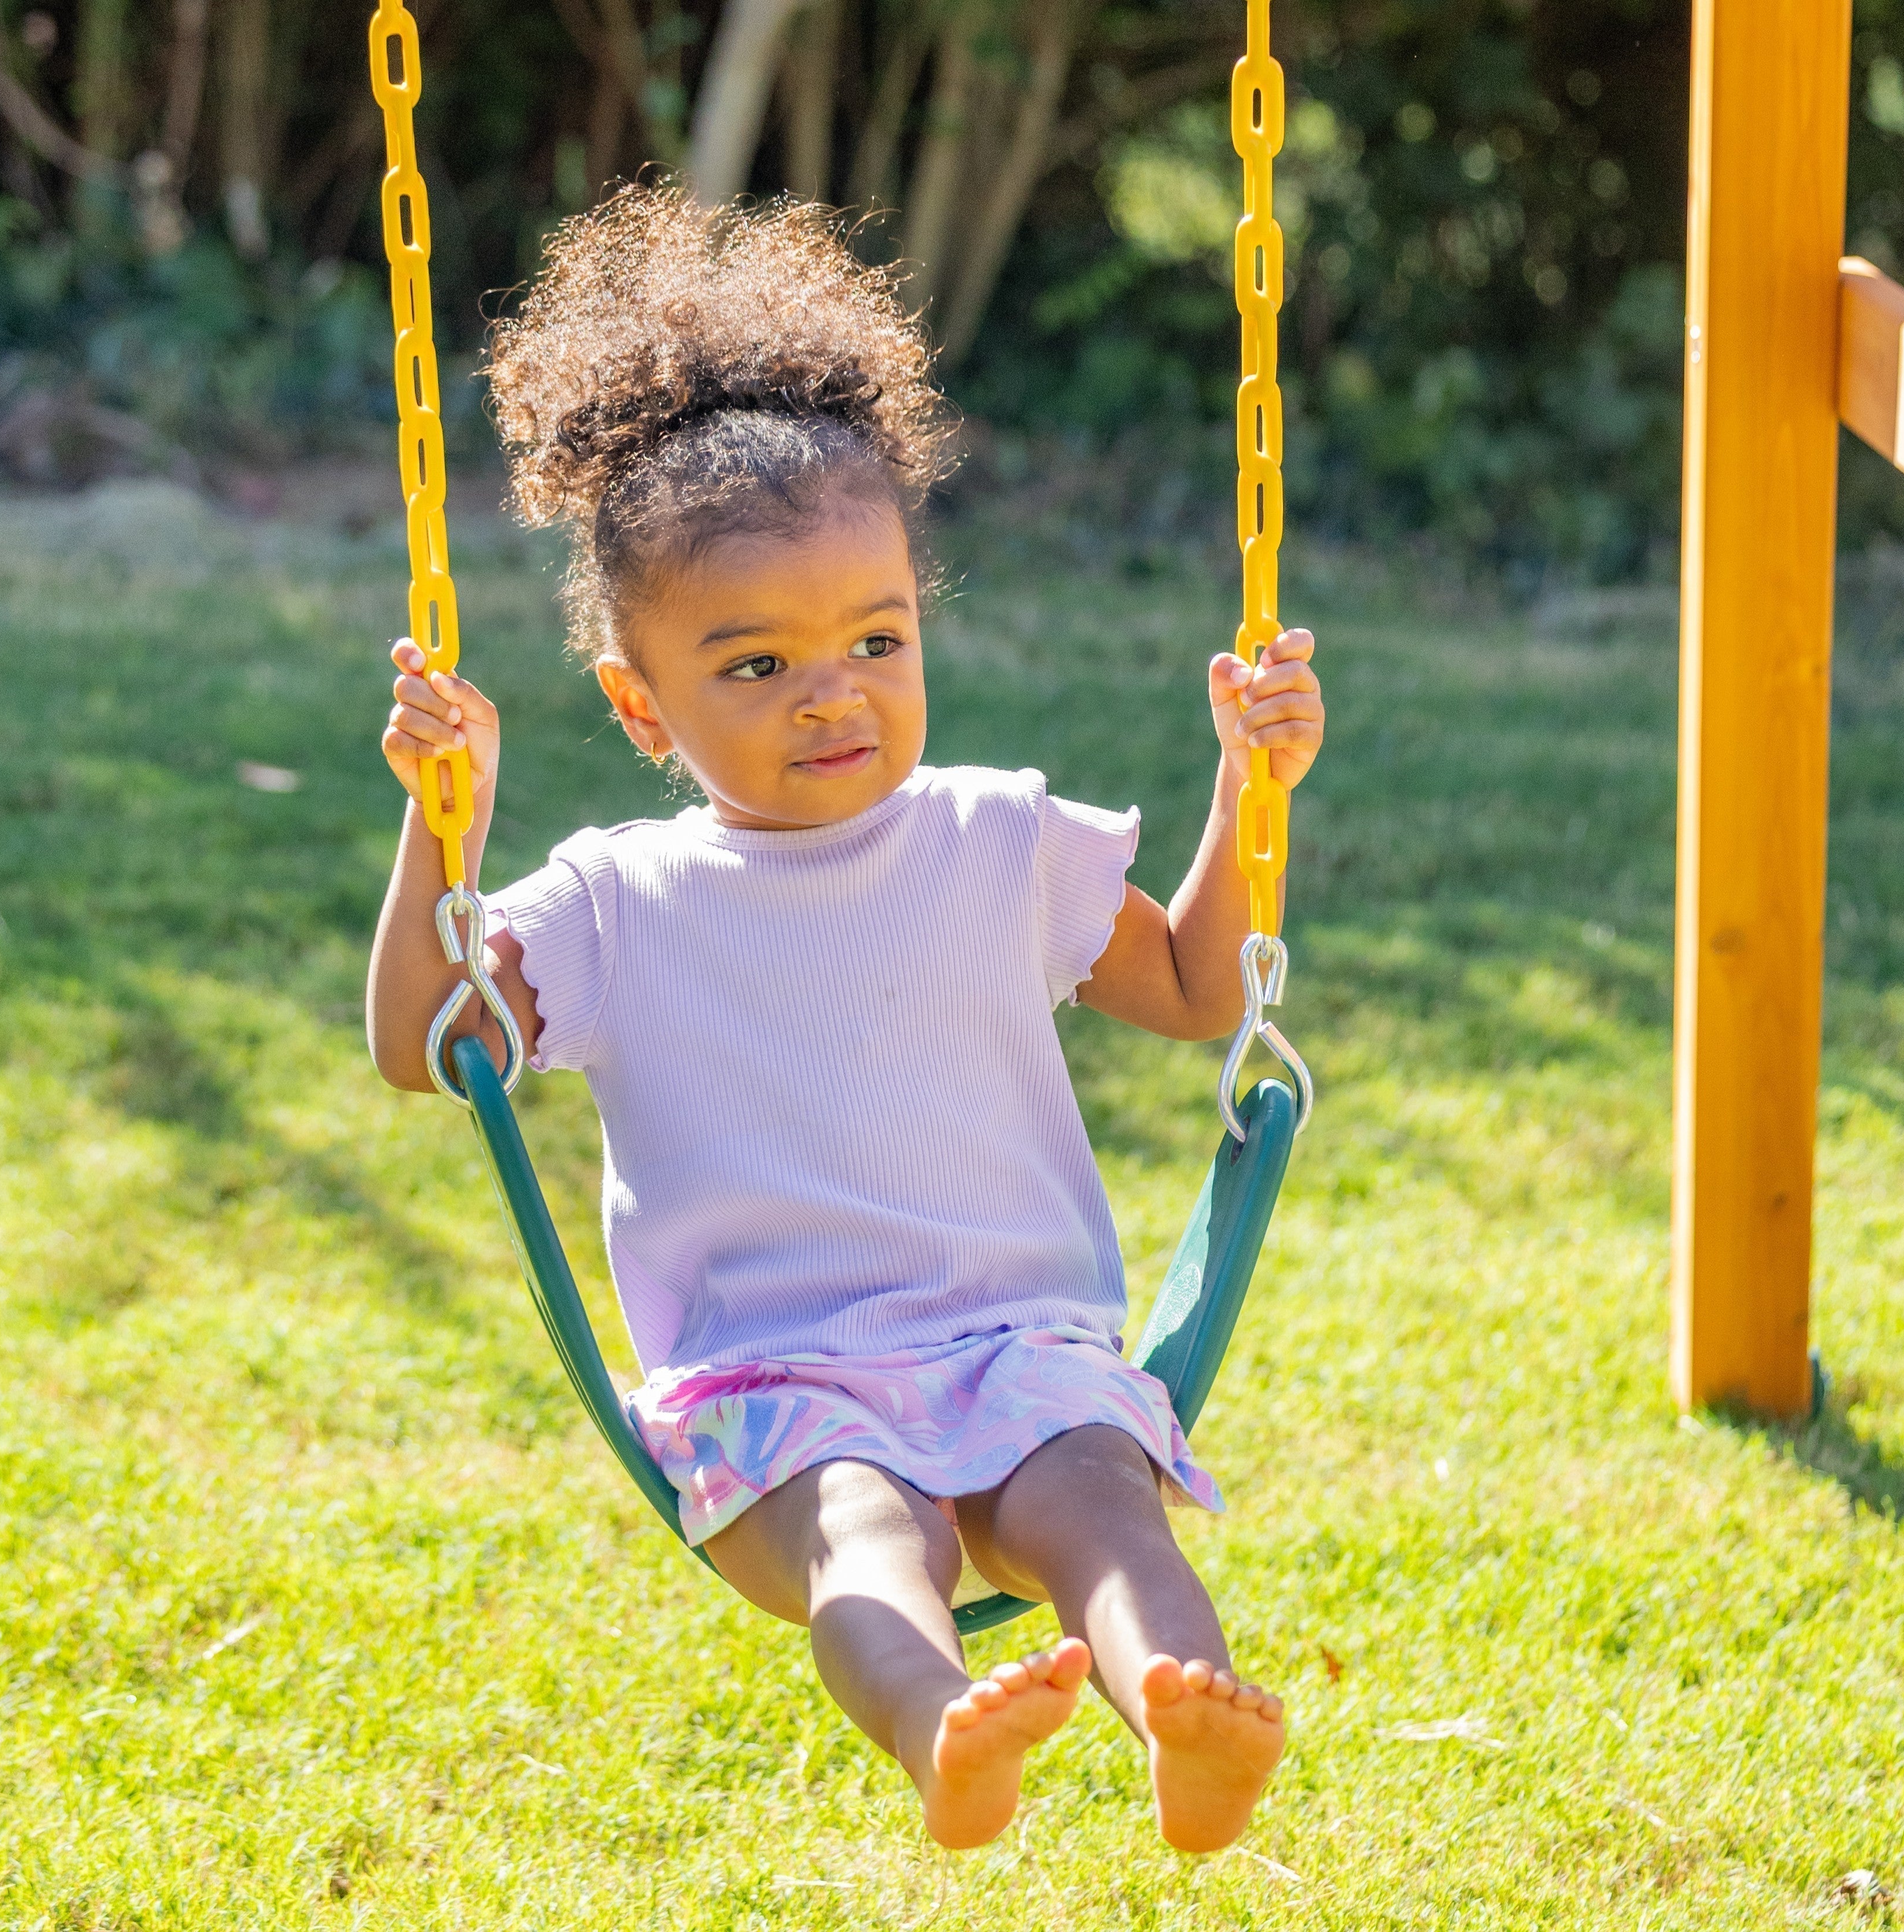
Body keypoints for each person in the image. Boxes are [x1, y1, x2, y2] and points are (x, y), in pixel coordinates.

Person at [365, 187, 1323, 1854]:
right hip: (772, 1389)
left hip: (1019, 1351)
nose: (835, 691)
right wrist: (440, 827)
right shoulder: (611, 901)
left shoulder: (993, 838)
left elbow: (1186, 987)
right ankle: (944, 1733)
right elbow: (429, 1039)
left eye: (875, 638)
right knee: (870, 1538)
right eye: (753, 667)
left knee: (1099, 1502)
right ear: (637, 703)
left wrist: (1251, 789)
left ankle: (1185, 1714)